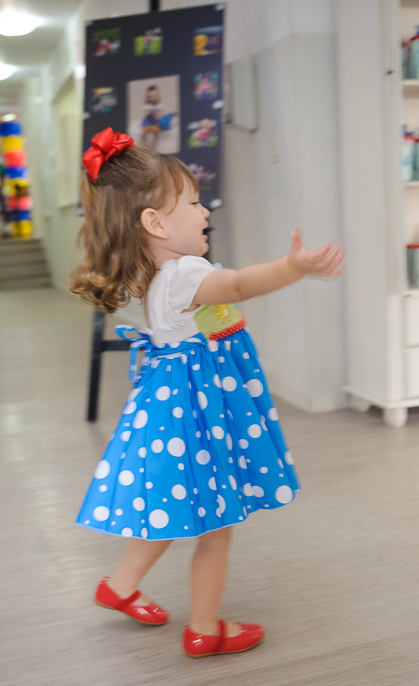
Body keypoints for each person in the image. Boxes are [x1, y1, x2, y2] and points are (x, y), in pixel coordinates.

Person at [68, 128, 343, 658]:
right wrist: (293, 268)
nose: (204, 212)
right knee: (216, 525)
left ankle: (120, 587)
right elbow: (237, 287)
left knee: (176, 509)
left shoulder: (154, 273)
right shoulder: (184, 274)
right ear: (155, 223)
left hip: (174, 408)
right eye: (192, 203)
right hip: (197, 413)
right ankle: (205, 628)